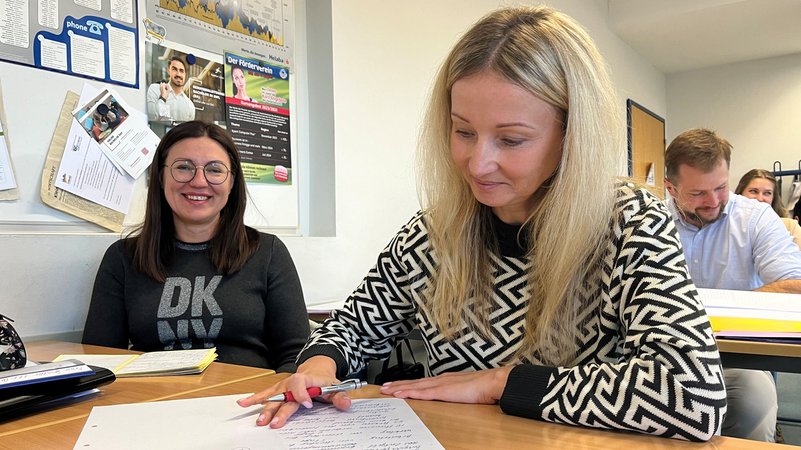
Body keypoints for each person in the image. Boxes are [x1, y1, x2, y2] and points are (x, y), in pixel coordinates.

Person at [238, 6, 726, 441]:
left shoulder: (629, 221)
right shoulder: (433, 233)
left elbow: (692, 394)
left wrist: (500, 382)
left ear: (572, 136)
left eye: (511, 140)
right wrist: (318, 368)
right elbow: (348, 329)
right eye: (463, 131)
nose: (477, 164)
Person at [82, 121, 310, 372]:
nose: (199, 181)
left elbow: (296, 356)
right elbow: (99, 359)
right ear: (160, 177)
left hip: (248, 404)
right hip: (152, 404)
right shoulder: (123, 258)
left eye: (214, 170)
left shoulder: (268, 253)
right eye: (183, 167)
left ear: (232, 181)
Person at [664, 128, 801, 442]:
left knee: (755, 400)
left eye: (721, 187)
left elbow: (794, 284)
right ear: (671, 188)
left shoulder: (755, 218)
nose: (713, 202)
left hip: (738, 356)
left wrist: (713, 313)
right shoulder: (651, 220)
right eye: (698, 193)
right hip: (670, 354)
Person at [735, 168, 801, 249]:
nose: (760, 198)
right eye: (753, 191)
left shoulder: (790, 227)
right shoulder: (729, 228)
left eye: (767, 193)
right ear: (740, 194)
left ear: (773, 198)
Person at [146, 56, 196, 123]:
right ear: (168, 71)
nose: (178, 74)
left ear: (185, 74)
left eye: (181, 71)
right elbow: (152, 118)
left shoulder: (190, 105)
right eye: (174, 69)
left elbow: (189, 132)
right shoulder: (155, 89)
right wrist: (163, 98)